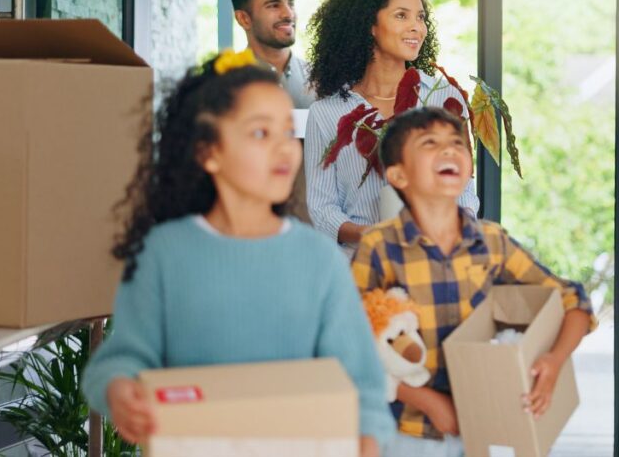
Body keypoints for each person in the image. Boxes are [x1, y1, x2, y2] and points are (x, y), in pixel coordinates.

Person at [81, 52, 394, 456]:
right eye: (261, 134)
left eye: (287, 132)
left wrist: (368, 441)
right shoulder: (165, 253)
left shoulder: (319, 259)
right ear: (208, 152)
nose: (284, 149)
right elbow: (119, 360)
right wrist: (121, 390)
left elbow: (364, 386)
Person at [351, 107, 597, 457]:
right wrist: (426, 399)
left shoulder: (492, 242)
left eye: (456, 142)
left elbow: (574, 300)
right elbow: (353, 344)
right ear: (399, 175)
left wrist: (554, 363)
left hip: (483, 427)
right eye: (430, 143)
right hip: (405, 432)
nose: (450, 149)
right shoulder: (379, 246)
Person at [304, 0, 479, 253]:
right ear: (369, 25)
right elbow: (321, 209)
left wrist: (459, 226)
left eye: (420, 17)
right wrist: (373, 235)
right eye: (401, 16)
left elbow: (465, 190)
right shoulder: (327, 114)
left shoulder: (444, 99)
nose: (416, 28)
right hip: (359, 271)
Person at [231, 0, 315, 222]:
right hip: (249, 226)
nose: (288, 13)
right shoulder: (225, 83)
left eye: (290, 3)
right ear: (244, 18)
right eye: (273, 5)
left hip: (314, 228)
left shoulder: (322, 80)